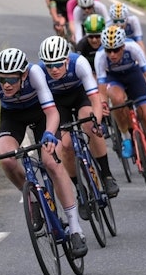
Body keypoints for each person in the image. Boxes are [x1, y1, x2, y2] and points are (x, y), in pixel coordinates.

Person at [0, 47, 88, 258]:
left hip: (42, 115)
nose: (6, 85)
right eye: (2, 80)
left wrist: (48, 134)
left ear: (24, 74)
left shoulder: (35, 73)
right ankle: (33, 199)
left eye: (11, 79)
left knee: (51, 162)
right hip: (13, 117)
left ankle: (75, 228)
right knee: (7, 159)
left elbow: (52, 111)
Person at [37, 36, 119, 198]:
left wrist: (97, 122)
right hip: (58, 102)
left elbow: (95, 99)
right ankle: (80, 190)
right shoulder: (39, 72)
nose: (54, 69)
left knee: (89, 125)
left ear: (67, 60)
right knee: (66, 146)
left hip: (80, 95)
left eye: (58, 64)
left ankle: (107, 175)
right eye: (49, 65)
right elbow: (45, 107)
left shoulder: (79, 63)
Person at [94, 26, 146, 190]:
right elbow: (101, 90)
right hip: (114, 80)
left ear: (123, 46)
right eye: (109, 50)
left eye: (116, 50)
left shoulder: (133, 48)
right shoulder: (100, 56)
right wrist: (102, 104)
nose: (112, 55)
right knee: (116, 98)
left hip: (134, 77)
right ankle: (126, 138)